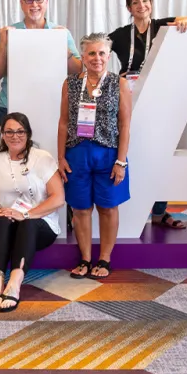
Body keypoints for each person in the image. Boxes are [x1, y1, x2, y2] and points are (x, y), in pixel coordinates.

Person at [108, 0, 187, 230]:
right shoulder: (120, 35)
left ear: (151, 3)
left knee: (163, 155)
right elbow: (96, 51)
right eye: (135, 2)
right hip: (132, 101)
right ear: (129, 8)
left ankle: (159, 212)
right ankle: (130, 210)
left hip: (162, 99)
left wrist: (186, 22)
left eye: (145, 0)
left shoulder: (166, 26)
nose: (141, 6)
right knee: (133, 152)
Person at [58, 33, 131, 279]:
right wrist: (60, 157)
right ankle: (85, 258)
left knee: (108, 207)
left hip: (109, 154)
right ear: (83, 57)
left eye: (101, 53)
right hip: (77, 153)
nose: (96, 58)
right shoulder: (70, 83)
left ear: (108, 57)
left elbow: (125, 124)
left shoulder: (119, 84)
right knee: (80, 208)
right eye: (91, 53)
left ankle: (105, 259)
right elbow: (63, 122)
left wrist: (121, 161)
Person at [0, 113, 65, 312]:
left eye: (20, 131)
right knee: (0, 221)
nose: (15, 136)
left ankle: (14, 284)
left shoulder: (41, 158)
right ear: (2, 134)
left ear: (28, 134)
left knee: (27, 224)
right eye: (9, 131)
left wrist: (26, 214)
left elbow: (58, 198)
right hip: (8, 225)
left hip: (40, 225)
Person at [0, 0, 82, 124]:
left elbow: (78, 71)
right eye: (29, 0)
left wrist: (64, 49)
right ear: (21, 4)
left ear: (46, 2)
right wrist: (3, 43)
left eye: (39, 0)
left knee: (52, 147)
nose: (34, 5)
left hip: (51, 105)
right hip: (12, 105)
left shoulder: (60, 32)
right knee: (9, 146)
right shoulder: (9, 32)